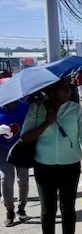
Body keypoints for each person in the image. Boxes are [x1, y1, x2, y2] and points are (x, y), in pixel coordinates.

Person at [21, 79, 82, 234]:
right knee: (47, 209)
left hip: (70, 165)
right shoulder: (36, 109)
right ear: (51, 92)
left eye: (68, 88)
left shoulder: (74, 109)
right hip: (43, 166)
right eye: (63, 89)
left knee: (68, 208)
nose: (68, 91)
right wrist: (46, 122)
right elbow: (25, 137)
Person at [0, 96, 30, 226]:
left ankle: (21, 208)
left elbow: (33, 124)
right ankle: (9, 211)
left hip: (21, 147)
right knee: (6, 179)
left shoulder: (25, 107)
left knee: (23, 179)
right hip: (3, 149)